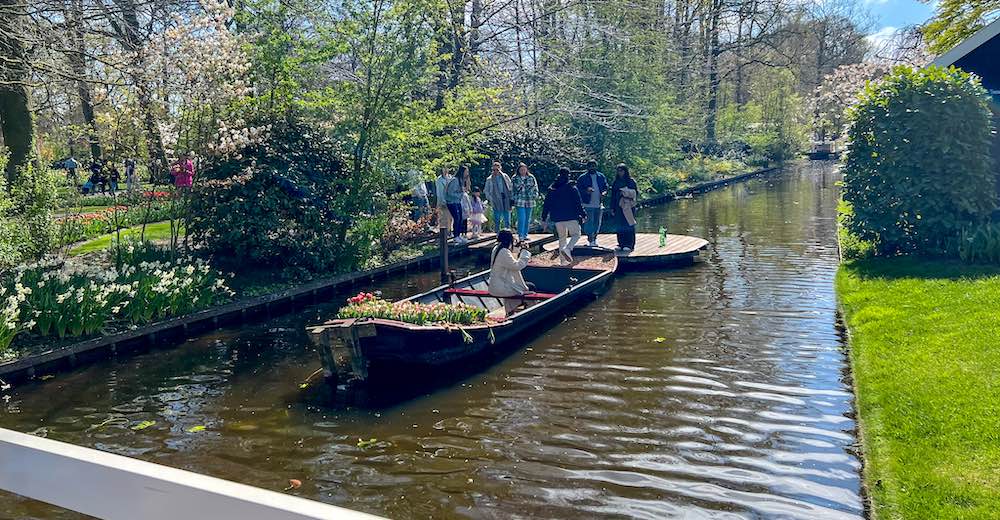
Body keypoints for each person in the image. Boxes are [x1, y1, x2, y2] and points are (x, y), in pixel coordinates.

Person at [542, 167, 587, 265]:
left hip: (557, 217)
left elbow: (547, 204)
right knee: (576, 234)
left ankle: (563, 261)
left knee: (562, 238)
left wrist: (544, 217)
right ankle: (568, 249)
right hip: (571, 216)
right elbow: (578, 203)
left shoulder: (553, 187)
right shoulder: (572, 187)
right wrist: (583, 214)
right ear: (568, 175)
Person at [488, 229, 532, 315]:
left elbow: (511, 255)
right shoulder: (504, 252)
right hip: (500, 288)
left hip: (495, 286)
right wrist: (525, 251)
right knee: (531, 288)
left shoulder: (497, 248)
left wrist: (519, 247)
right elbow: (517, 266)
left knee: (525, 287)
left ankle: (510, 311)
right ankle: (529, 310)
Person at [577, 160, 608, 247]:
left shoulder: (601, 176)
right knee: (588, 222)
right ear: (588, 167)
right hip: (587, 204)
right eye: (590, 166)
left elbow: (606, 187)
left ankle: (594, 238)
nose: (592, 168)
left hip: (598, 204)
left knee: (597, 222)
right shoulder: (582, 177)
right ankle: (590, 239)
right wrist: (586, 191)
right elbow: (578, 190)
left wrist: (604, 193)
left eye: (594, 166)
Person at [610, 163, 638, 252]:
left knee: (629, 224)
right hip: (618, 206)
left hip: (628, 206)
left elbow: (635, 193)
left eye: (621, 170)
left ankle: (629, 244)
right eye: (618, 171)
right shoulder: (616, 182)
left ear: (625, 171)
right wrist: (612, 207)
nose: (620, 173)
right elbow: (613, 196)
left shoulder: (631, 181)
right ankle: (621, 243)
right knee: (619, 225)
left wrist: (625, 192)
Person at [511, 162, 539, 241]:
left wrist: (535, 195)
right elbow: (511, 189)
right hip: (519, 200)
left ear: (527, 169)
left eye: (524, 169)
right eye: (521, 169)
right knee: (521, 218)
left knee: (527, 218)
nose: (523, 171)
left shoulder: (531, 177)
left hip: (529, 200)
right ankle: (520, 235)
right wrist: (513, 198)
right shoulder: (515, 178)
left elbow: (535, 187)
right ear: (518, 170)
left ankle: (525, 234)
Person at [484, 161, 513, 231]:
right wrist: (490, 199)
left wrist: (511, 197)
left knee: (507, 219)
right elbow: (486, 190)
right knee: (497, 219)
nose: (495, 171)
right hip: (496, 201)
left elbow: (510, 186)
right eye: (494, 170)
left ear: (500, 169)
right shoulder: (489, 179)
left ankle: (507, 233)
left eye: (497, 169)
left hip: (505, 199)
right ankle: (497, 234)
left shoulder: (505, 177)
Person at [444, 167, 467, 244]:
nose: (467, 174)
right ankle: (455, 236)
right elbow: (450, 193)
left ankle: (458, 235)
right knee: (456, 218)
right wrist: (460, 194)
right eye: (466, 172)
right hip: (451, 202)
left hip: (457, 202)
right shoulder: (455, 180)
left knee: (460, 218)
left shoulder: (461, 180)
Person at [435, 167, 453, 234]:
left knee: (450, 217)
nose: (445, 170)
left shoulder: (450, 178)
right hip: (442, 201)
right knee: (443, 218)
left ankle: (449, 231)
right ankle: (443, 234)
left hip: (450, 201)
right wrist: (443, 201)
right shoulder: (439, 179)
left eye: (447, 168)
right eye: (444, 168)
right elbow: (439, 192)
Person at [459, 165, 474, 239]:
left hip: (465, 204)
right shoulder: (458, 180)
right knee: (459, 220)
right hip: (460, 203)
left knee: (465, 220)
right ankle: (459, 233)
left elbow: (468, 188)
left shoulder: (466, 179)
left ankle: (464, 233)